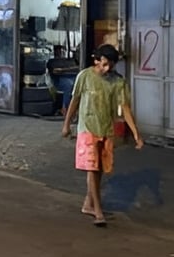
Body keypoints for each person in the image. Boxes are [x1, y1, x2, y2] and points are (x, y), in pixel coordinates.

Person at [61, 44, 143, 226]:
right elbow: (75, 100)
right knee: (92, 168)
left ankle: (88, 204)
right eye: (104, 64)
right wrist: (66, 124)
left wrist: (136, 133)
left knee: (98, 170)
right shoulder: (85, 76)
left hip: (106, 129)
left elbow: (125, 108)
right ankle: (98, 211)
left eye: (110, 65)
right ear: (96, 60)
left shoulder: (117, 82)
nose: (107, 69)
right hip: (87, 128)